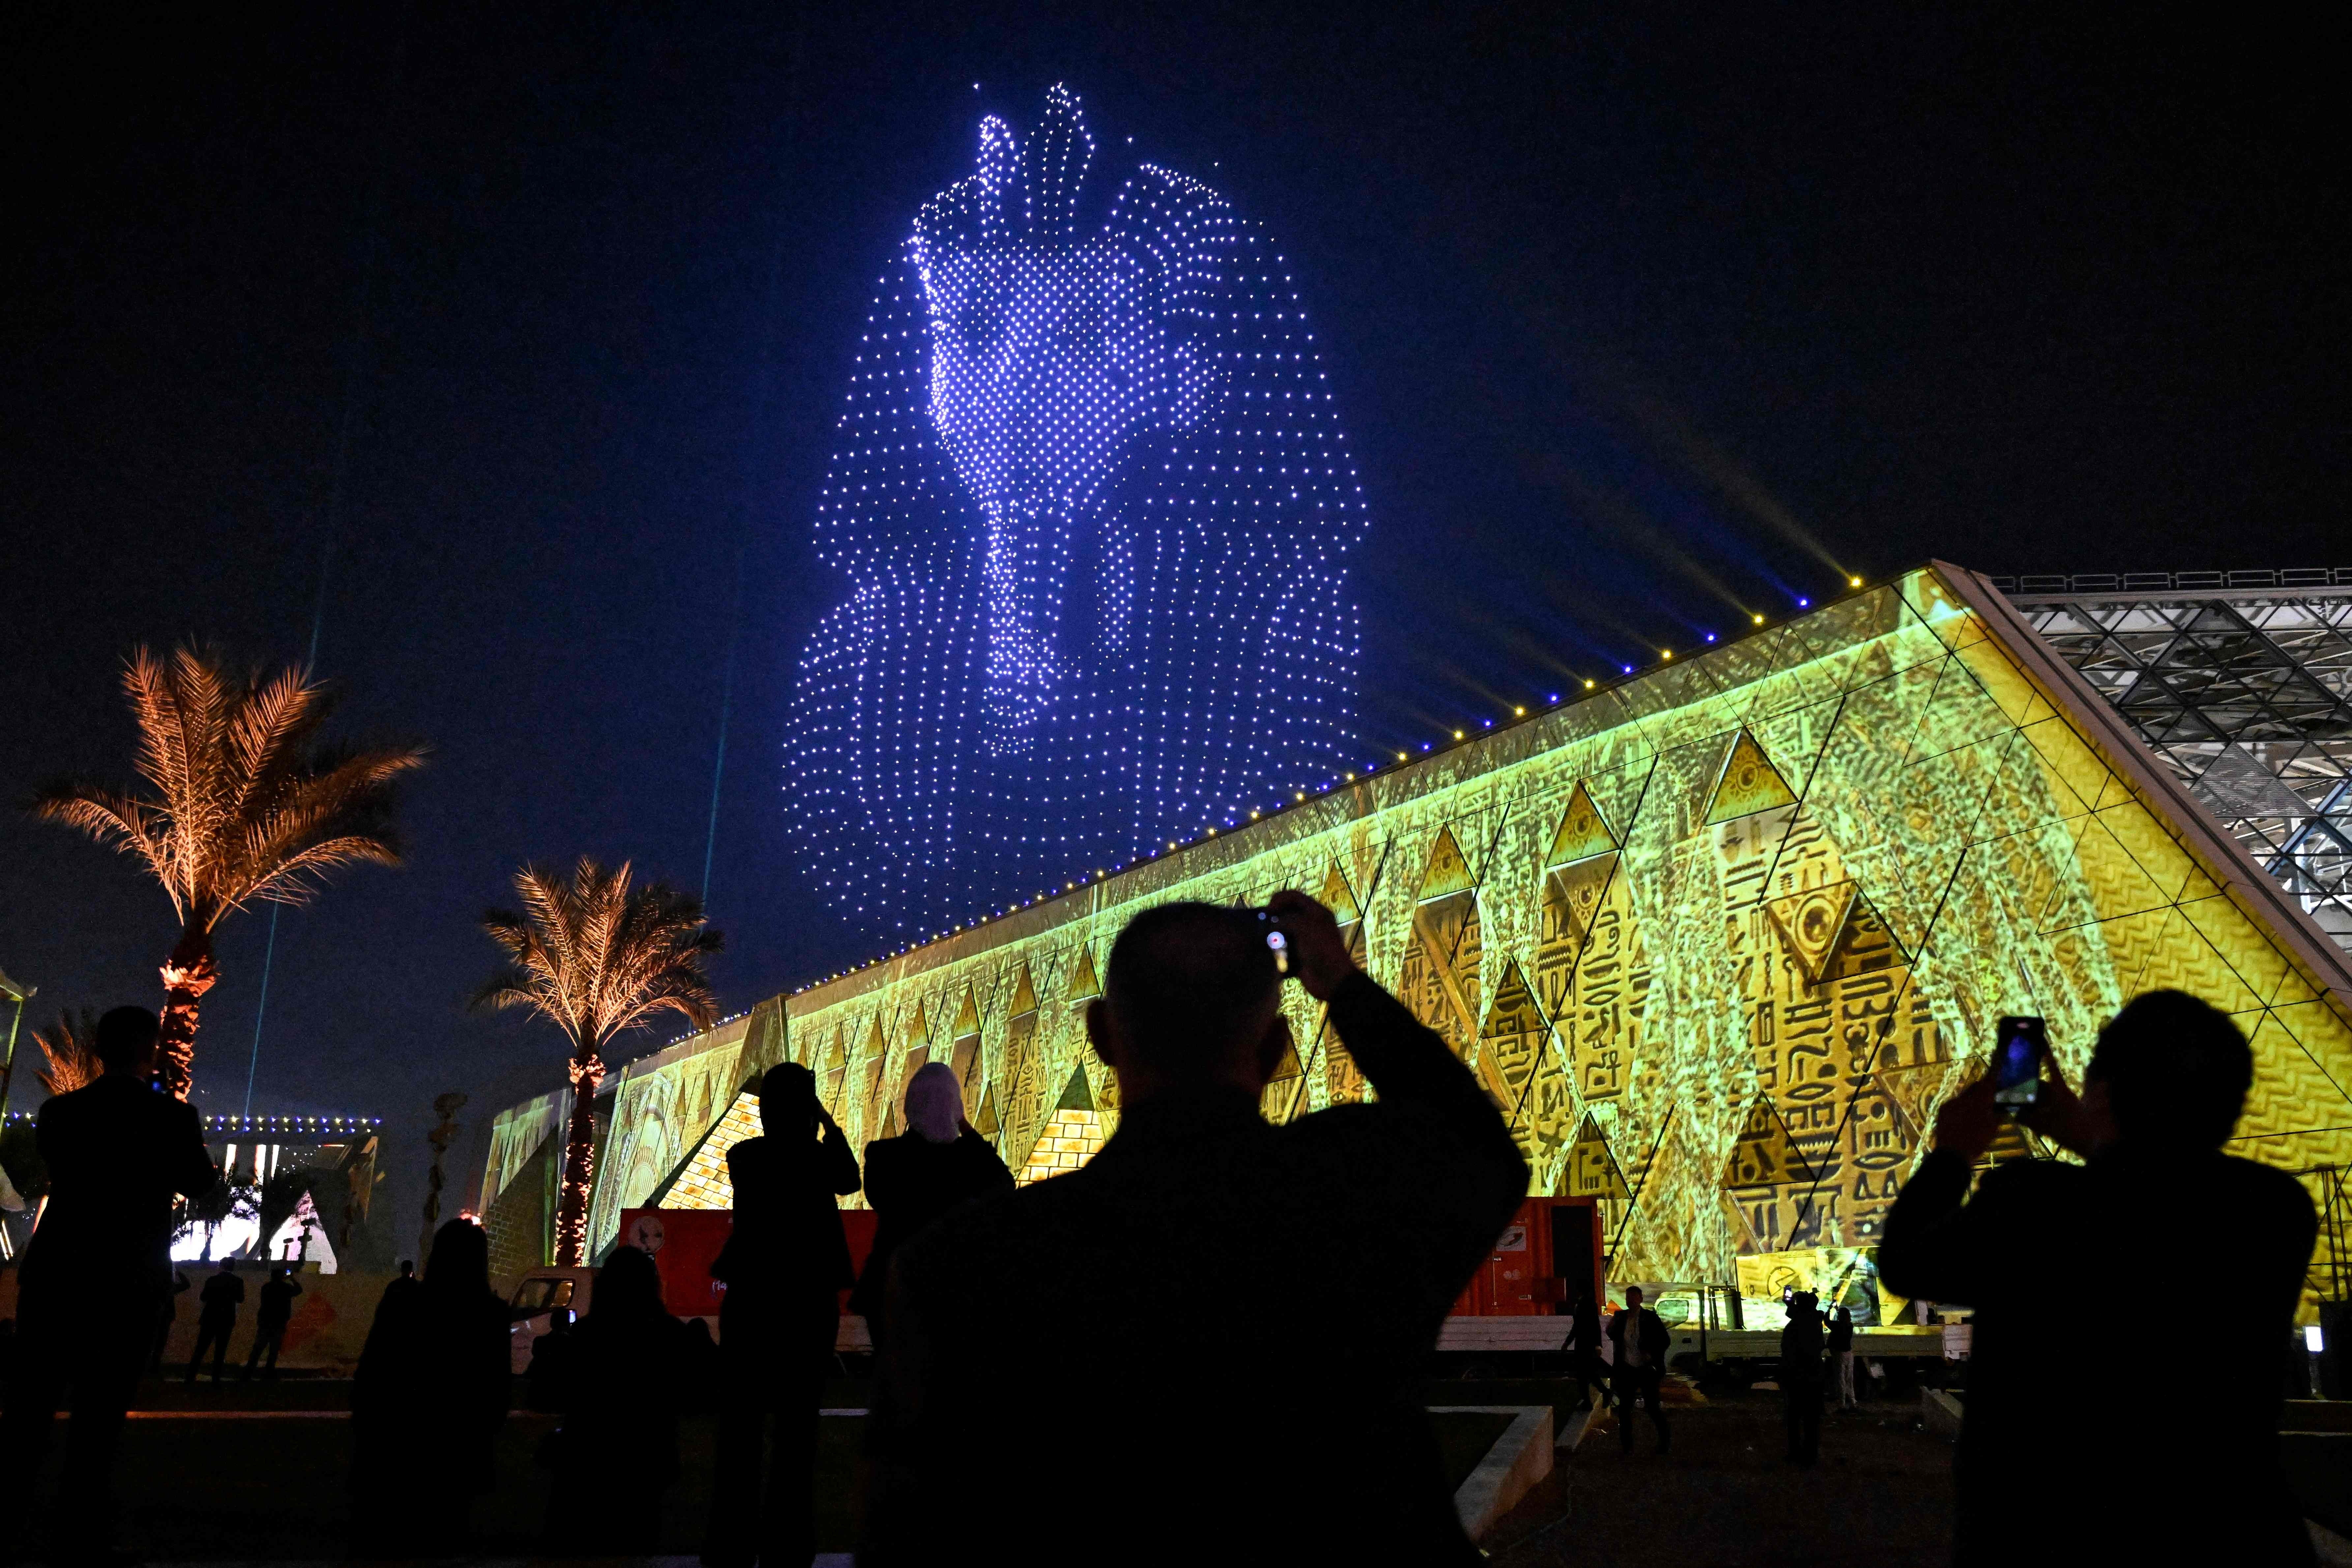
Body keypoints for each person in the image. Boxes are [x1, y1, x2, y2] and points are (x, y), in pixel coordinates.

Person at [860, 892, 1527, 1566]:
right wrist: (1339, 980)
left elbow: (905, 1534)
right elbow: (1477, 1143)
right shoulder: (1349, 1198)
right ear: (1274, 1045)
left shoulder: (964, 1265)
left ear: (1101, 1035)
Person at [1879, 991, 2318, 1566]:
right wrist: (2097, 1137)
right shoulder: (2276, 1211)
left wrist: (1953, 1153)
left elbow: (1906, 1260)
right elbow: (2159, 1202)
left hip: (2052, 1538)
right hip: (2232, 1536)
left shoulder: (2032, 1205)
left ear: (2104, 1091)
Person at [0, 1005, 217, 1558]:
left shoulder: (60, 1113)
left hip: (58, 1271)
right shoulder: (171, 1118)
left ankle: (10, 1512)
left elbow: (60, 1164)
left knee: (30, 1407)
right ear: (150, 1050)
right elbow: (200, 1185)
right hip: (127, 1278)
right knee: (100, 1416)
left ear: (98, 1050)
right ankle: (79, 1525)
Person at [702, 1062, 862, 1568]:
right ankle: (789, 1542)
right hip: (807, 1307)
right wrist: (829, 1122)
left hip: (752, 1304)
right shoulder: (818, 1161)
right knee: (797, 1434)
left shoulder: (743, 1156)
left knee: (741, 1431)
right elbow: (849, 1179)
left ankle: (731, 1540)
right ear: (807, 1109)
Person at [349, 1219, 511, 1554]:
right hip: (460, 1447)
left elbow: (372, 1374)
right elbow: (496, 1392)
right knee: (448, 1534)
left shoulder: (405, 1304)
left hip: (401, 1440)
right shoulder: (491, 1313)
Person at [540, 1245, 707, 1554]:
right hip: (647, 1463)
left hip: (587, 1464)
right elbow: (695, 1396)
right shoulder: (669, 1334)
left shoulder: (586, 1334)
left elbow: (553, 1394)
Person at [847, 1062, 1014, 1348]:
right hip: (952, 1284)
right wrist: (963, 1125)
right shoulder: (967, 1160)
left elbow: (880, 1199)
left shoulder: (884, 1155)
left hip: (891, 1280)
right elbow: (1004, 1185)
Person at [1607, 1285, 1673, 1455]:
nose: (1631, 1300)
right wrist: (1610, 1328)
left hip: (1646, 1369)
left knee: (1652, 1407)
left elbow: (1665, 1340)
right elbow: (1614, 1336)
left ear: (1641, 1299)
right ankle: (1627, 1447)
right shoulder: (1620, 1317)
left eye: (1634, 1297)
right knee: (1625, 1409)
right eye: (1628, 1297)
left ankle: (1664, 1443)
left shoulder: (1650, 1318)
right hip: (1627, 1369)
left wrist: (1651, 1355)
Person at [1780, 1289, 1825, 1466]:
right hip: (1814, 1378)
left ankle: (1797, 1453)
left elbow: (1789, 1351)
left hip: (1798, 1378)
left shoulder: (1798, 1324)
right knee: (1811, 1420)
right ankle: (1810, 1455)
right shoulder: (1814, 1321)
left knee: (1794, 1418)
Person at [186, 1256, 246, 1383]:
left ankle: (191, 1376)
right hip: (227, 1320)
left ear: (222, 1266)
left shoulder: (212, 1280)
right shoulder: (238, 1281)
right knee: (221, 1350)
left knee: (201, 1348)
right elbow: (240, 1299)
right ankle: (216, 1378)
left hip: (210, 1318)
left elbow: (204, 1297)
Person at [243, 1264, 304, 1379]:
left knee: (258, 1349)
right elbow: (299, 1290)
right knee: (274, 1351)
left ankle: (248, 1372)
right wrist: (292, 1279)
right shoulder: (286, 1288)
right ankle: (269, 1373)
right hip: (279, 1323)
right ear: (282, 1277)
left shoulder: (266, 1287)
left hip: (265, 1322)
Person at [1566, 1286, 1606, 1414]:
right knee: (1588, 1373)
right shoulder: (1586, 1303)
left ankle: (1591, 1400)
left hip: (1585, 1345)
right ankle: (1599, 1395)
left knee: (1584, 1374)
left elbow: (1590, 1325)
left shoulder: (1585, 1304)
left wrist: (1567, 1343)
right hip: (1586, 1344)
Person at [149, 1267, 192, 1375]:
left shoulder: (155, 1287)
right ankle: (154, 1368)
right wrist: (177, 1271)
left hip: (155, 1317)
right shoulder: (170, 1288)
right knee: (161, 1344)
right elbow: (187, 1284)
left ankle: (150, 1368)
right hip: (166, 1317)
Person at [1828, 1301, 1857, 1409]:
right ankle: (1853, 1401)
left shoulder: (1837, 1326)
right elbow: (1841, 1321)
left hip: (1840, 1355)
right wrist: (1837, 1309)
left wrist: (1830, 1308)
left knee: (1841, 1379)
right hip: (1849, 1354)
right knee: (1849, 1379)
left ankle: (1842, 1403)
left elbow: (1827, 1321)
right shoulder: (1850, 1326)